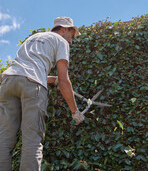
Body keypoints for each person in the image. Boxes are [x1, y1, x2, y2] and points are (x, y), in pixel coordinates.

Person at [0, 17, 85, 171]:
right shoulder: (61, 42)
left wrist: (52, 80)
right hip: (32, 87)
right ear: (64, 29)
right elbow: (64, 80)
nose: (71, 42)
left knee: (4, 139)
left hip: (8, 82)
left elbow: (25, 72)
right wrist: (75, 111)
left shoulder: (33, 38)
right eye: (72, 37)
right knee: (32, 138)